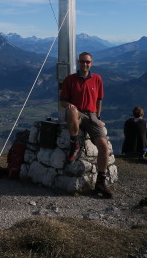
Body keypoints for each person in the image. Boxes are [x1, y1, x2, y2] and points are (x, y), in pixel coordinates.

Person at [59, 51, 113, 198]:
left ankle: (100, 183)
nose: (85, 64)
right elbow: (63, 101)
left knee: (103, 146)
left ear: (91, 63)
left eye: (87, 62)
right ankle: (74, 143)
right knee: (71, 112)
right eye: (82, 61)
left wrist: (98, 117)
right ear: (78, 62)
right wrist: (70, 106)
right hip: (77, 113)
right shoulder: (70, 80)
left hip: (92, 115)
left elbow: (99, 100)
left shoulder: (97, 79)